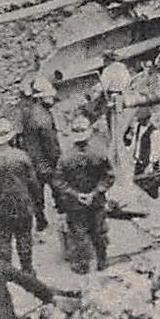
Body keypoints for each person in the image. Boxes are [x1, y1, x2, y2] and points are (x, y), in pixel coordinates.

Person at [52, 115, 114, 274]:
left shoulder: (65, 158)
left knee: (79, 234)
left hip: (75, 204)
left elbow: (58, 182)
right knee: (98, 231)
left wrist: (76, 194)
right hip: (96, 201)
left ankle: (83, 266)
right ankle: (102, 261)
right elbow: (109, 176)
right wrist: (94, 192)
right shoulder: (100, 153)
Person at [0, 118, 43, 275]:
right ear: (11, 137)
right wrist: (37, 202)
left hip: (1, 205)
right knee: (24, 237)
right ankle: (27, 271)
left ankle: (6, 272)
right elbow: (33, 183)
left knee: (3, 239)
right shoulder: (22, 156)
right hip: (22, 203)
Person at [14, 76, 60, 226]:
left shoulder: (27, 111)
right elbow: (50, 144)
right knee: (59, 191)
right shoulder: (43, 118)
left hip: (32, 161)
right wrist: (57, 160)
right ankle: (63, 217)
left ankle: (41, 221)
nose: (52, 98)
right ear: (41, 98)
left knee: (36, 195)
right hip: (46, 162)